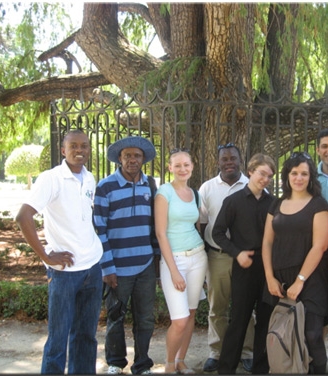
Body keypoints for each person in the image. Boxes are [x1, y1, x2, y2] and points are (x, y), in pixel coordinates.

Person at [16, 129, 103, 374]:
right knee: (58, 340)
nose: (80, 150)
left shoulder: (90, 178)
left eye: (84, 146)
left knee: (86, 336)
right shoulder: (51, 179)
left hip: (92, 267)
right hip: (65, 272)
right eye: (73, 146)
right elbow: (23, 217)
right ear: (63, 150)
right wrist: (45, 256)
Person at [262, 151, 328, 375]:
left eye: (304, 173)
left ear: (311, 177)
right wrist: (270, 277)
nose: (299, 178)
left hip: (311, 279)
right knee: (284, 334)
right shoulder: (277, 204)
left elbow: (320, 246)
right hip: (280, 279)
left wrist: (300, 280)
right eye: (294, 173)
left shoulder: (319, 205)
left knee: (312, 334)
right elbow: (267, 242)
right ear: (287, 176)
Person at [93, 136, 158, 375]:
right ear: (119, 158)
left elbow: (154, 226)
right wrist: (107, 267)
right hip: (117, 268)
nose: (132, 159)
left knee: (145, 319)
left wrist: (157, 261)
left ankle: (142, 364)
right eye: (128, 155)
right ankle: (116, 363)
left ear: (143, 160)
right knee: (115, 318)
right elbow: (99, 228)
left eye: (137, 156)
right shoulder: (106, 186)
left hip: (145, 266)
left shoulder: (150, 186)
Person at [212, 153, 277, 375]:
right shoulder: (233, 201)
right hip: (244, 266)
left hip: (269, 269)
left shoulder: (274, 203)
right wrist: (236, 253)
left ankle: (260, 368)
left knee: (266, 321)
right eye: (262, 173)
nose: (265, 179)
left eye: (269, 176)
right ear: (250, 171)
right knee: (239, 320)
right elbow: (217, 232)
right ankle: (226, 368)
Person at [199, 143, 255, 373]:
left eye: (233, 158)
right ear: (218, 162)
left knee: (246, 308)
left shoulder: (253, 186)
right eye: (225, 159)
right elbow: (201, 224)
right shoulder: (207, 189)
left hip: (246, 258)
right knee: (217, 308)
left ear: (241, 161)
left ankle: (246, 352)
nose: (229, 162)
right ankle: (217, 351)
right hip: (218, 256)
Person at [154, 148, 208, 374]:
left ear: (192, 166)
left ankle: (181, 360)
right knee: (180, 319)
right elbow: (160, 233)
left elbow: (196, 225)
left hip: (197, 257)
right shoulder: (164, 193)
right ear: (170, 168)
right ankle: (169, 364)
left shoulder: (195, 194)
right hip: (174, 260)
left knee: (192, 313)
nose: (182, 169)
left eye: (186, 164)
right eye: (177, 165)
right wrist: (174, 271)